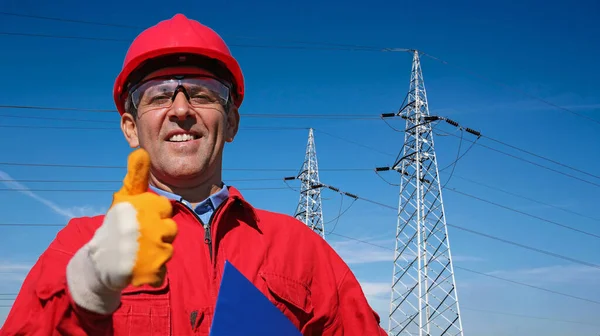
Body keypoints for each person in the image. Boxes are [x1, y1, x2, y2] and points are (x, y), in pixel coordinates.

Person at [1, 13, 387, 335]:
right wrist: (87, 291)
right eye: (158, 95)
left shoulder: (299, 248)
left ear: (231, 123)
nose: (181, 109)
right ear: (131, 127)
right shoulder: (81, 244)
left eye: (202, 93)